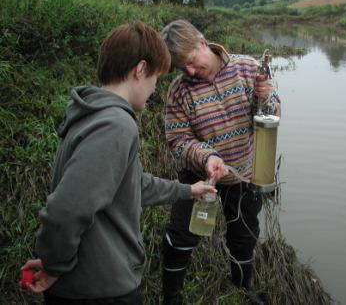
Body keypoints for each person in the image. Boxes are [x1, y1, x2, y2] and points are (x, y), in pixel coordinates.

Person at [20, 20, 216, 305]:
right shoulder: (115, 125)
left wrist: (188, 191)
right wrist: (54, 266)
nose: (153, 89)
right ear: (140, 70)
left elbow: (133, 184)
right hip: (100, 290)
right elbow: (66, 210)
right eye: (155, 78)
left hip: (86, 285)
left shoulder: (90, 113)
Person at [160, 20, 280, 304]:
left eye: (190, 61)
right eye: (181, 67)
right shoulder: (179, 91)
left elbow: (273, 111)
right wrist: (207, 156)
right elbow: (177, 139)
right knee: (180, 237)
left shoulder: (248, 68)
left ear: (202, 43)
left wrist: (267, 99)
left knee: (244, 236)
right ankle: (171, 297)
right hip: (200, 179)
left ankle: (242, 287)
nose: (189, 71)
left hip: (242, 177)